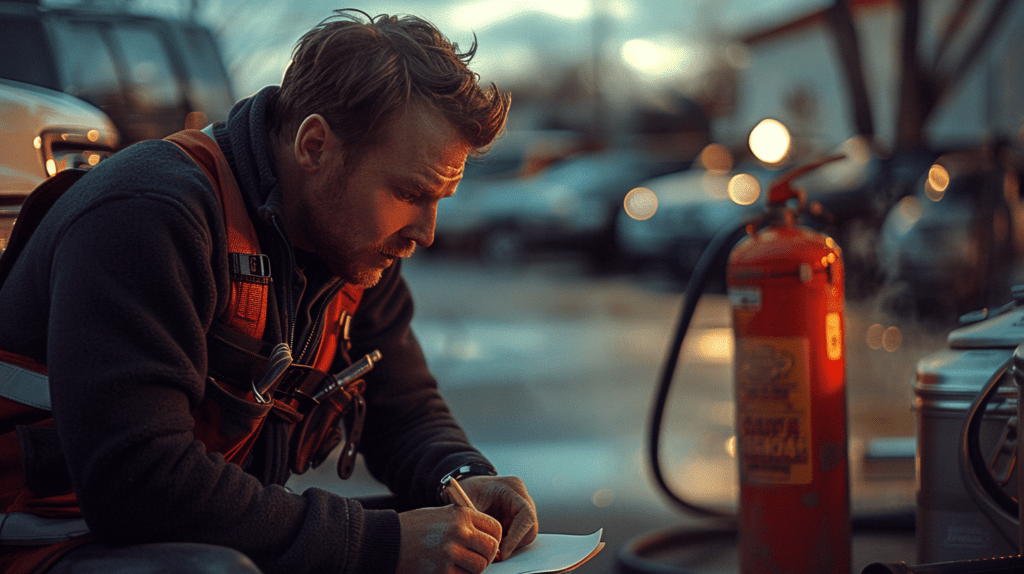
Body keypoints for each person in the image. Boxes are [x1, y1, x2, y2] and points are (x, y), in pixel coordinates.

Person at [0, 9, 537, 574]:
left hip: (175, 533)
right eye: (409, 192)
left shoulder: (356, 247)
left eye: (439, 201)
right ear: (314, 145)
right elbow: (140, 483)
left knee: (459, 548)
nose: (425, 232)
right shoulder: (152, 215)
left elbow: (402, 409)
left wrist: (462, 478)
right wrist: (374, 543)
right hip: (41, 541)